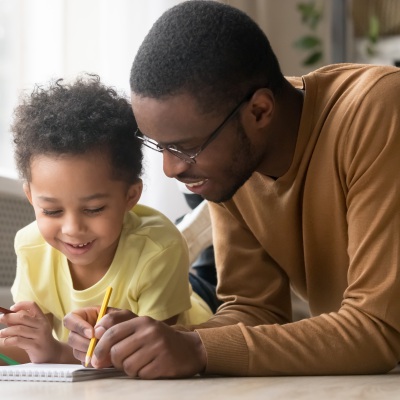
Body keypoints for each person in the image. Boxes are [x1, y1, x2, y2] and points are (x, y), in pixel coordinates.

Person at [64, 0, 400, 378]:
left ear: (259, 111)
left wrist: (196, 347)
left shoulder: (379, 110)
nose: (172, 168)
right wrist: (151, 343)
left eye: (187, 147)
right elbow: (254, 311)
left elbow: (379, 328)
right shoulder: (233, 168)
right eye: (161, 146)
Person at [0, 74, 213, 365]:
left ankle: (207, 208)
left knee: (211, 270)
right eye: (51, 211)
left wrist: (55, 351)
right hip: (161, 285)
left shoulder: (159, 248)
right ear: (30, 196)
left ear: (130, 196)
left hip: (195, 314)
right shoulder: (29, 245)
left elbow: (153, 356)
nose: (73, 229)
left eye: (94, 209)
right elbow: (30, 350)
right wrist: (32, 343)